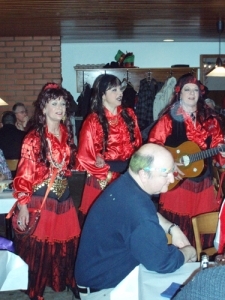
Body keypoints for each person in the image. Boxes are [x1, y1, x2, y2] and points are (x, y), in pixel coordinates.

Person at [75, 143, 197, 300]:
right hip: (105, 291)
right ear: (144, 175)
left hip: (102, 279)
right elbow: (163, 263)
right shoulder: (137, 210)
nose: (172, 178)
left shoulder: (127, 186)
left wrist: (173, 228)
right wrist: (188, 251)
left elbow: (148, 213)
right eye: (166, 173)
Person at [13, 83, 80, 300]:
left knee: (64, 242)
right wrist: (23, 206)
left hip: (63, 195)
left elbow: (67, 165)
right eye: (54, 103)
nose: (60, 108)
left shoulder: (65, 132)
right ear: (44, 108)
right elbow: (23, 175)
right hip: (42, 196)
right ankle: (36, 290)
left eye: (62, 103)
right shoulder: (33, 138)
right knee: (41, 248)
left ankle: (59, 281)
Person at [148, 73, 225, 247]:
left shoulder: (210, 120)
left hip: (203, 181)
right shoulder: (168, 119)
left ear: (200, 93)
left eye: (195, 90)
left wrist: (222, 153)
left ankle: (201, 260)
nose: (192, 93)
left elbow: (218, 144)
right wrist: (170, 164)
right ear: (179, 93)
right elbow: (153, 146)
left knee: (203, 224)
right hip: (178, 182)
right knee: (178, 225)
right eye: (187, 89)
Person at [75, 74, 142, 225]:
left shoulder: (129, 114)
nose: (120, 93)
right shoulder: (93, 120)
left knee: (126, 222)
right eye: (114, 90)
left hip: (128, 177)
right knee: (103, 224)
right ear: (103, 95)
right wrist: (100, 163)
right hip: (103, 179)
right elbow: (83, 157)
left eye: (120, 89)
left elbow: (138, 145)